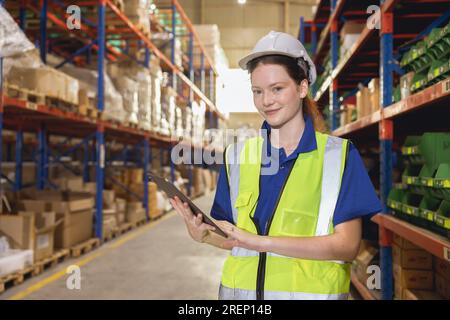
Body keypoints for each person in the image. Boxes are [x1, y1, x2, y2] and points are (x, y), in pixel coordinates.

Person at [169, 31, 382, 300]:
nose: (265, 101)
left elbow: (347, 245)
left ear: (302, 88)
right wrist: (204, 236)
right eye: (257, 91)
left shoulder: (339, 157)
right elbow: (234, 239)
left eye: (277, 89)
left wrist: (260, 242)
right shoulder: (237, 156)